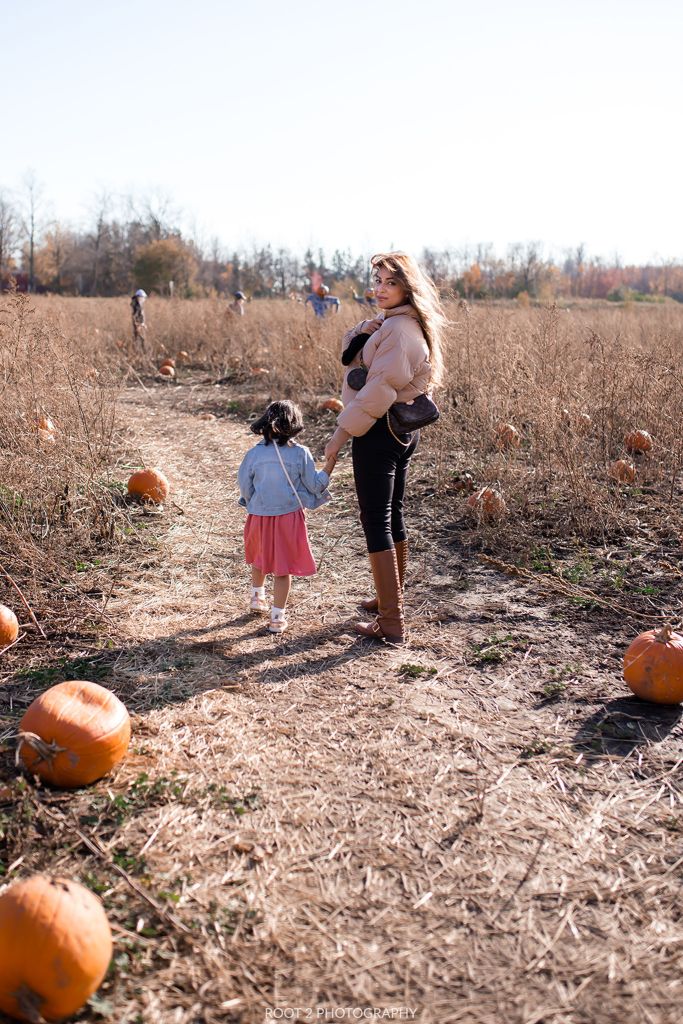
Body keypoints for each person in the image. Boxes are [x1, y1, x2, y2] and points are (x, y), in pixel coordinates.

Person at [323, 252, 447, 645]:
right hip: (395, 429)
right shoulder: (395, 323)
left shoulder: (399, 330)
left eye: (391, 282)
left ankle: (391, 622)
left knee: (376, 519)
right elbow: (354, 354)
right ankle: (389, 598)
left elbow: (378, 391)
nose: (380, 288)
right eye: (377, 280)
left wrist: (339, 437)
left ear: (407, 288)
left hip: (379, 428)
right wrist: (367, 326)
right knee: (391, 513)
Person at [238, 400, 337, 634]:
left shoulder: (254, 453)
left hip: (259, 515)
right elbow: (314, 486)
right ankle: (277, 618)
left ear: (265, 423)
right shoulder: (301, 453)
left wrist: (254, 503)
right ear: (295, 425)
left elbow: (244, 485)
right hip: (288, 517)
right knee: (283, 569)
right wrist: (330, 466)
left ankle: (257, 597)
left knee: (260, 557)